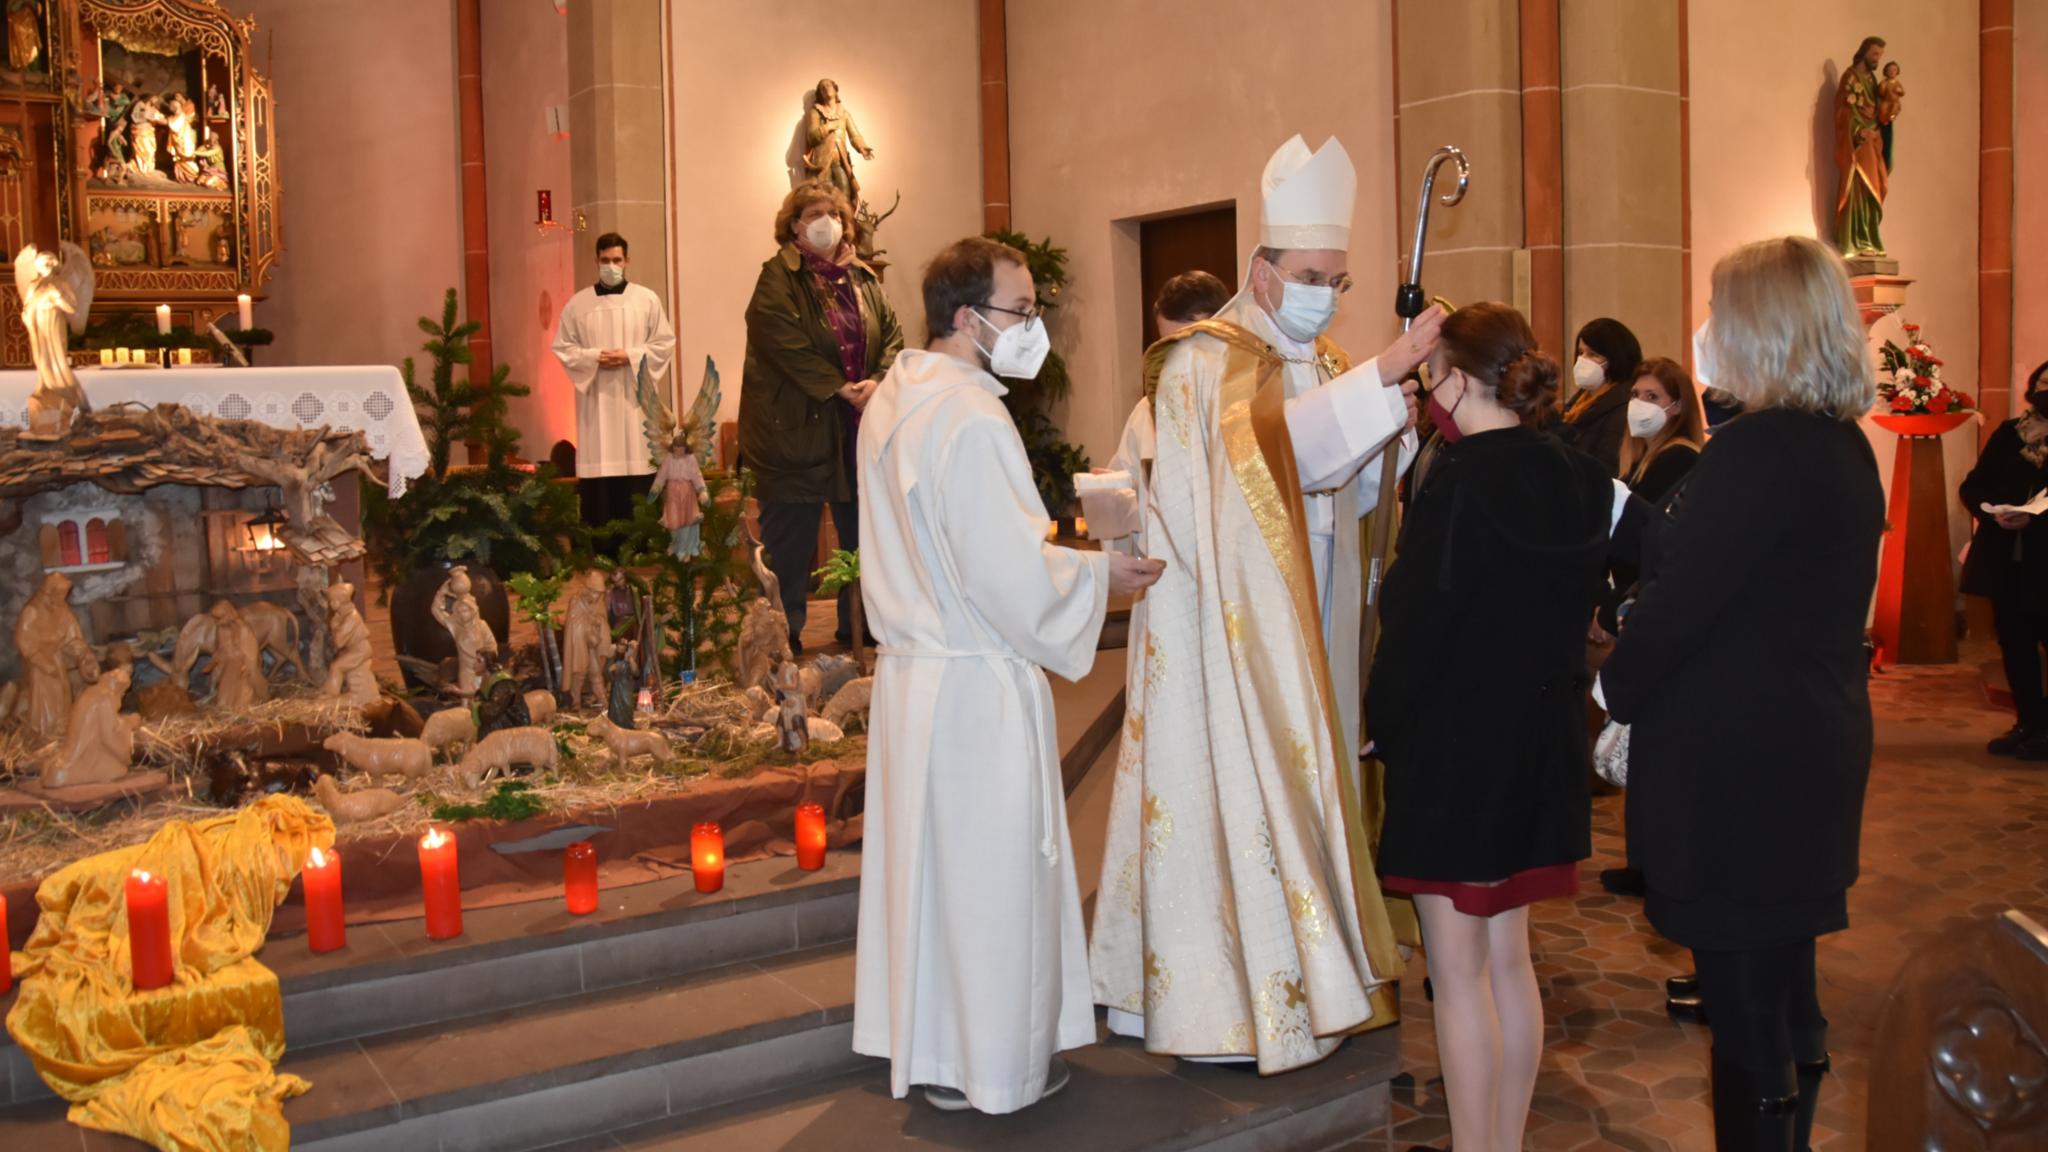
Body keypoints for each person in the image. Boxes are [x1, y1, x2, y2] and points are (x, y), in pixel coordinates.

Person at [1090, 134, 1439, 1072]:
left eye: (1341, 276)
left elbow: (1343, 485)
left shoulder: (1323, 357)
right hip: (1230, 635)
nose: (1329, 291)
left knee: (1310, 777)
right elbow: (1279, 454)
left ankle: (1314, 970)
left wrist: (1389, 438)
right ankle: (1226, 1001)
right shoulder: (1207, 363)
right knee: (1241, 789)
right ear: (1264, 271)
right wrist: (1385, 380)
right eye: (1314, 273)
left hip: (1312, 608)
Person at [851, 236, 1165, 1114]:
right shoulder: (969, 418)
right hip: (973, 685)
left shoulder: (893, 401)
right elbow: (1007, 573)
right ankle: (992, 1069)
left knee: (935, 883)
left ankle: (942, 1054)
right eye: (1021, 312)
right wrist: (1103, 577)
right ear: (966, 317)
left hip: (918, 681)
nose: (1035, 329)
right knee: (988, 885)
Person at [1601, 236, 1883, 1151]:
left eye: (1722, 310)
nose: (1707, 328)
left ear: (1761, 328)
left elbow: (1684, 606)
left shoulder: (1756, 451)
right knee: (1784, 995)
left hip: (1742, 766)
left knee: (1747, 1015)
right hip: (1804, 745)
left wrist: (1612, 687)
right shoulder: (1835, 444)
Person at [1367, 303, 1618, 1152]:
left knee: (1457, 968)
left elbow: (1417, 620)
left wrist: (1382, 721)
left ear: (1457, 379)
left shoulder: (1464, 479)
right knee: (1509, 959)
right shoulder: (1580, 473)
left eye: (1430, 373)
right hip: (1545, 739)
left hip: (1458, 748)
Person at [740, 183, 903, 654]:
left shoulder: (864, 278)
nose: (825, 220)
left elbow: (892, 334)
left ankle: (860, 624)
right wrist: (838, 386)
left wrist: (878, 379)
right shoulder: (777, 277)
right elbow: (781, 340)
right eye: (814, 212)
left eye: (833, 212)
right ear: (794, 224)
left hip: (858, 430)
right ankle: (779, 634)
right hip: (794, 433)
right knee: (789, 547)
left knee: (863, 539)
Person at [553, 232, 677, 530]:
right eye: (605, 260)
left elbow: (664, 343)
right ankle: (600, 553)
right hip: (597, 408)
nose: (611, 265)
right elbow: (563, 348)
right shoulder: (577, 304)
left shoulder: (646, 300)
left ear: (627, 261)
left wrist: (630, 356)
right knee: (601, 486)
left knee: (637, 471)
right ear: (596, 261)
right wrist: (594, 357)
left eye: (617, 260)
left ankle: (643, 553)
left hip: (635, 407)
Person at [1960, 359, 2048, 759]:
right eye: (2042, 383)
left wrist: (2036, 516)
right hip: (2008, 558)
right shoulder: (2010, 434)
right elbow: (1973, 485)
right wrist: (1991, 511)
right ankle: (2028, 722)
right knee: (2015, 643)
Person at [1556, 317, 1643, 477]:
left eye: (1592, 354)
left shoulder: (1624, 407)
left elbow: (1607, 467)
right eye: (1580, 353)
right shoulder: (1583, 398)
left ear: (1616, 358)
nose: (1582, 360)